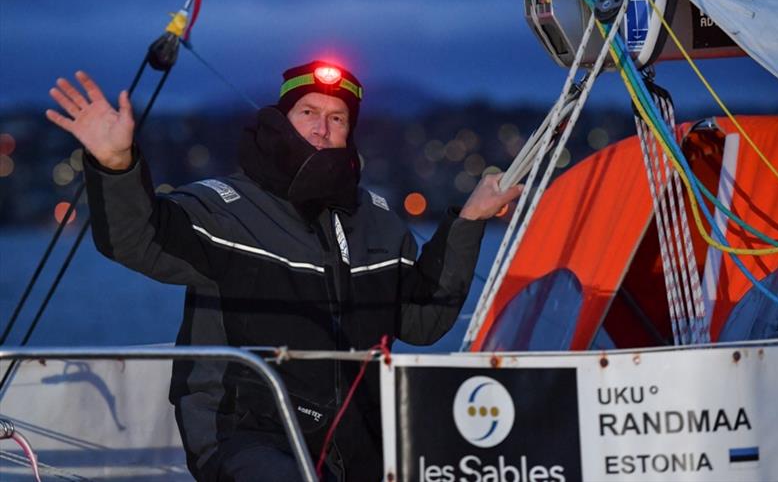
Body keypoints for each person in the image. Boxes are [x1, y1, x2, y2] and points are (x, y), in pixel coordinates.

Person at [45, 61, 522, 481]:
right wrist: (115, 164)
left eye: (337, 118)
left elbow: (422, 319)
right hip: (247, 435)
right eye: (308, 113)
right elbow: (136, 240)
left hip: (358, 439)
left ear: (349, 134)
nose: (322, 128)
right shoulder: (222, 208)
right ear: (281, 121)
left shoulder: (376, 220)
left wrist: (470, 221)